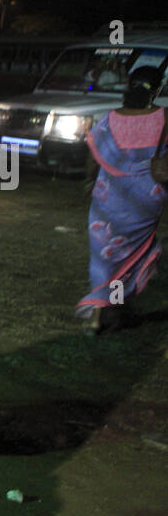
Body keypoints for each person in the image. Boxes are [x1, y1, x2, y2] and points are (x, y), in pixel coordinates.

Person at [76, 65, 166, 332]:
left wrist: (88, 180)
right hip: (146, 198)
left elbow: (94, 154)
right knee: (131, 255)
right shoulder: (165, 117)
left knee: (106, 256)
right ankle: (117, 306)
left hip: (109, 197)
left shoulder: (110, 118)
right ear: (158, 89)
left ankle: (98, 317)